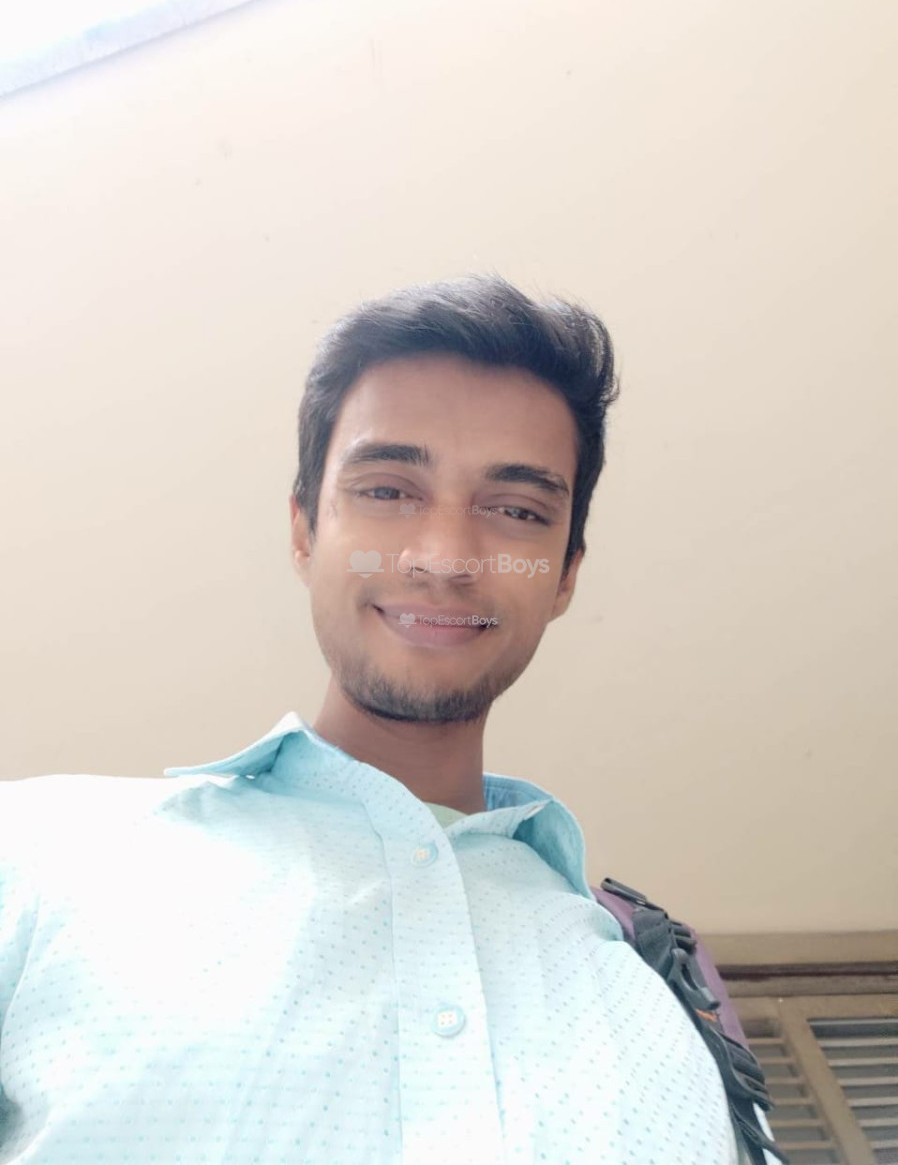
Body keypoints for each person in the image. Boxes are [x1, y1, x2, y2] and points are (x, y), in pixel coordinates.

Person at [0, 275, 763, 1163]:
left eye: (516, 511)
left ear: (565, 576)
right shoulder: (37, 851)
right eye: (389, 491)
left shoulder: (667, 983)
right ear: (303, 532)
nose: (443, 558)